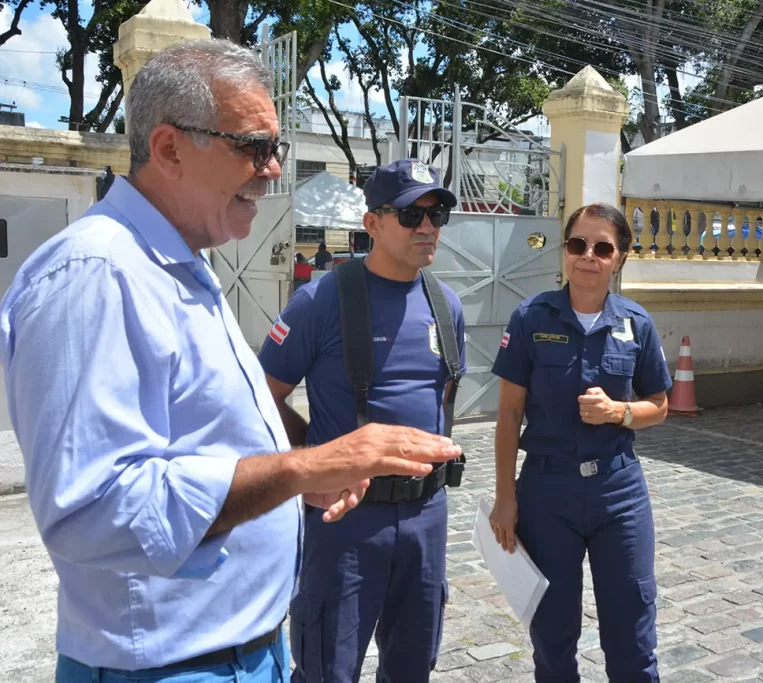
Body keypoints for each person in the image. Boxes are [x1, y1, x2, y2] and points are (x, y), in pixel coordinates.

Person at [0, 40, 460, 683]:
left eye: (277, 148)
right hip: (169, 667)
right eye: (254, 146)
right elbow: (90, 509)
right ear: (169, 148)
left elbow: (220, 437)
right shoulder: (97, 273)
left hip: (243, 652)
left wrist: (297, 478)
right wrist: (303, 466)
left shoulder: (180, 268)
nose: (273, 169)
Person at [258, 158, 463, 683]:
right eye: (411, 215)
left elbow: (441, 396)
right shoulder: (320, 301)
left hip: (425, 516)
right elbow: (259, 399)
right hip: (346, 522)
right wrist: (316, 460)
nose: (427, 227)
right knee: (328, 667)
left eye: (436, 215)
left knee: (413, 666)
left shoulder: (446, 306)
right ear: (372, 223)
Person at [489, 203, 672, 683]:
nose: (588, 256)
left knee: (632, 635)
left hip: (618, 493)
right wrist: (505, 498)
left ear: (620, 257)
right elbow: (508, 414)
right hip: (547, 493)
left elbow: (660, 404)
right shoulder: (530, 318)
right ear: (565, 250)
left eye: (602, 248)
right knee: (552, 636)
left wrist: (619, 412)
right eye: (577, 244)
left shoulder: (636, 322)